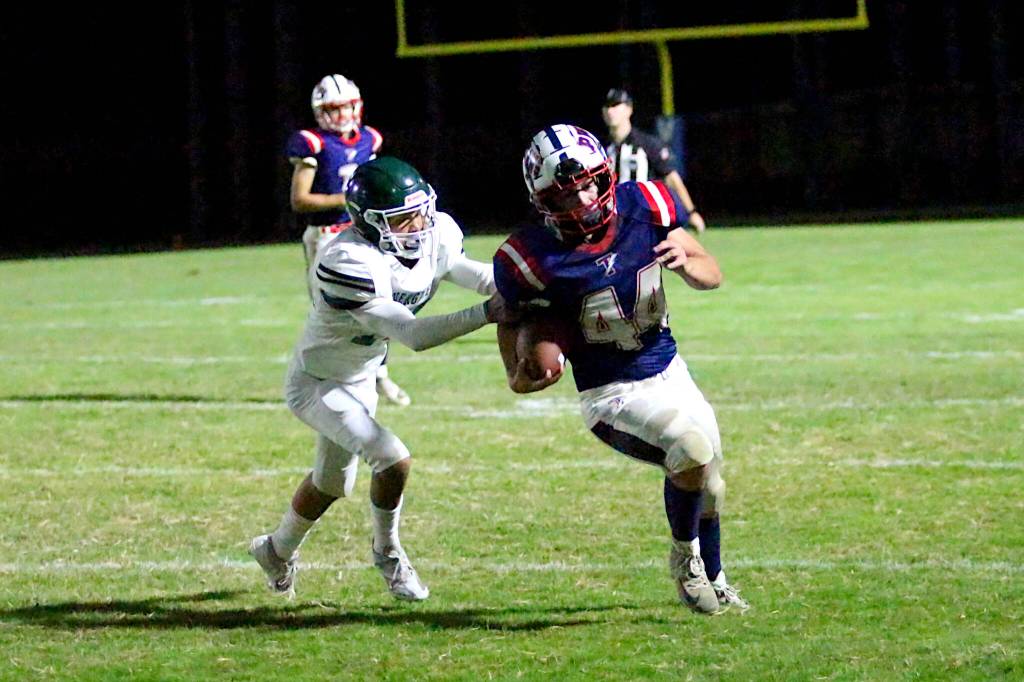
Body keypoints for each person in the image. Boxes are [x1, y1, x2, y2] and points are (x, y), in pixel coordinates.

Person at [493, 124, 747, 614]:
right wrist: (518, 371)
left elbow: (711, 272)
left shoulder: (646, 205)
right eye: (567, 193)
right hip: (611, 393)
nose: (585, 199)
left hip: (669, 370)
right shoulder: (529, 257)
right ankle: (685, 558)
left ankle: (717, 579)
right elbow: (510, 317)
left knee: (711, 483)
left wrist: (687, 265)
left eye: (589, 183)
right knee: (691, 451)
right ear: (544, 200)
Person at [251, 156, 509, 601]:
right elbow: (412, 334)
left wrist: (530, 285)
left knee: (332, 484)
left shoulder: (436, 235)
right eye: (403, 219)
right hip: (318, 382)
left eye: (421, 212)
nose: (419, 225)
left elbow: (480, 275)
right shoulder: (347, 259)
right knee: (392, 458)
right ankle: (388, 554)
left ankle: (275, 550)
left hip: (361, 378)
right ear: (370, 222)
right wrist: (487, 313)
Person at [285, 73, 411, 407]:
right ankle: (327, 380)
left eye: (345, 107)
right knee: (335, 315)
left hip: (364, 233)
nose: (340, 115)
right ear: (320, 112)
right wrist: (346, 199)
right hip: (327, 238)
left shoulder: (370, 139)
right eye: (332, 109)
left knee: (380, 304)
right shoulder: (313, 143)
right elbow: (300, 199)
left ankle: (379, 375)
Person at [601, 88, 706, 234]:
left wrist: (691, 212)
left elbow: (671, 178)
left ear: (629, 109)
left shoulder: (647, 144)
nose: (610, 111)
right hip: (613, 222)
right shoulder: (600, 147)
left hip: (644, 221)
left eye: (616, 105)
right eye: (607, 106)